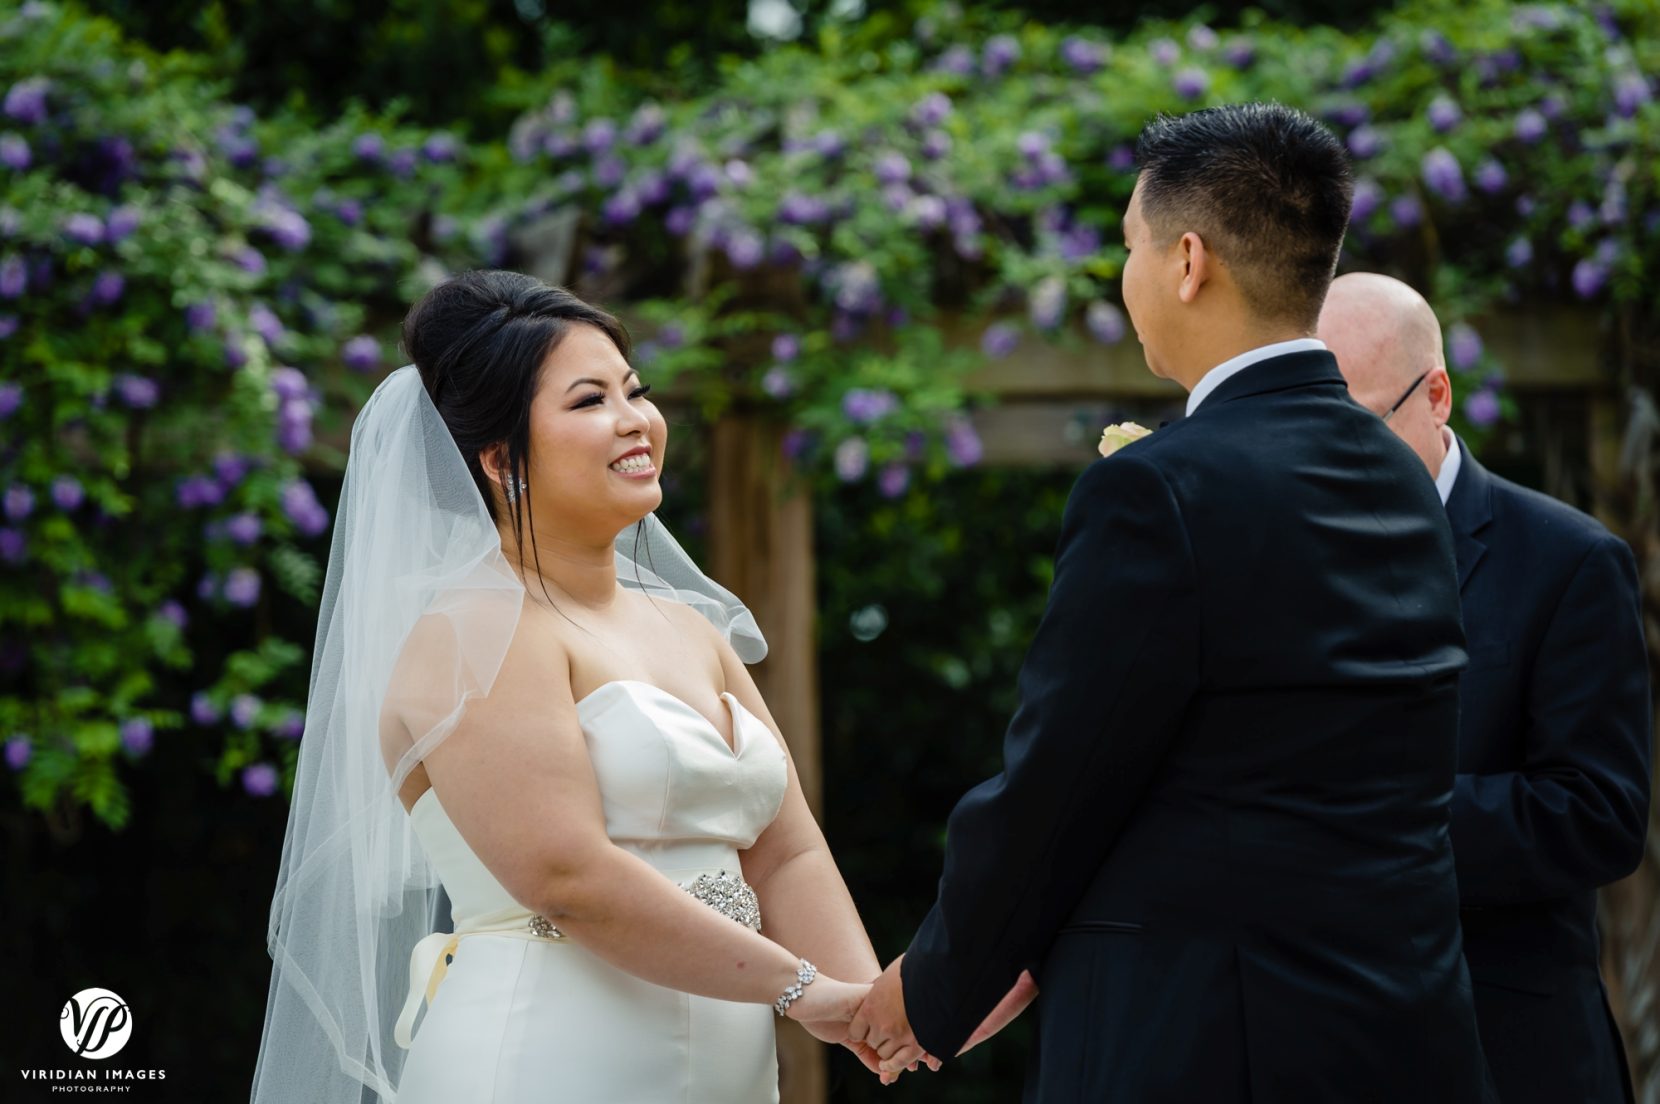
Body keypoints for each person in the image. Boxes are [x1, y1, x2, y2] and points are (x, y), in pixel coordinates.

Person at [849, 103, 1493, 1101]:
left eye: (1127, 247)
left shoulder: (1157, 488)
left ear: (1187, 261)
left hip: (1205, 1038)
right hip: (1399, 1025)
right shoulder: (1399, 472)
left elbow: (1060, 777)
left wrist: (934, 985)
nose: (1126, 275)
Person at [251, 271, 884, 1103]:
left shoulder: (691, 630)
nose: (635, 421)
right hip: (549, 1056)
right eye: (589, 402)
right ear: (499, 457)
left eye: (636, 391)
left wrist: (876, 1004)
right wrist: (806, 990)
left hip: (725, 1071)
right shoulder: (474, 630)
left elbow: (784, 846)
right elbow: (569, 878)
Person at [1319, 271, 1652, 1104]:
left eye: (1355, 424)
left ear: (1437, 395)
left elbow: (1598, 814)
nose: (1325, 457)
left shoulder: (1568, 561)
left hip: (1509, 1052)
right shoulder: (1273, 554)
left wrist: (1379, 823)